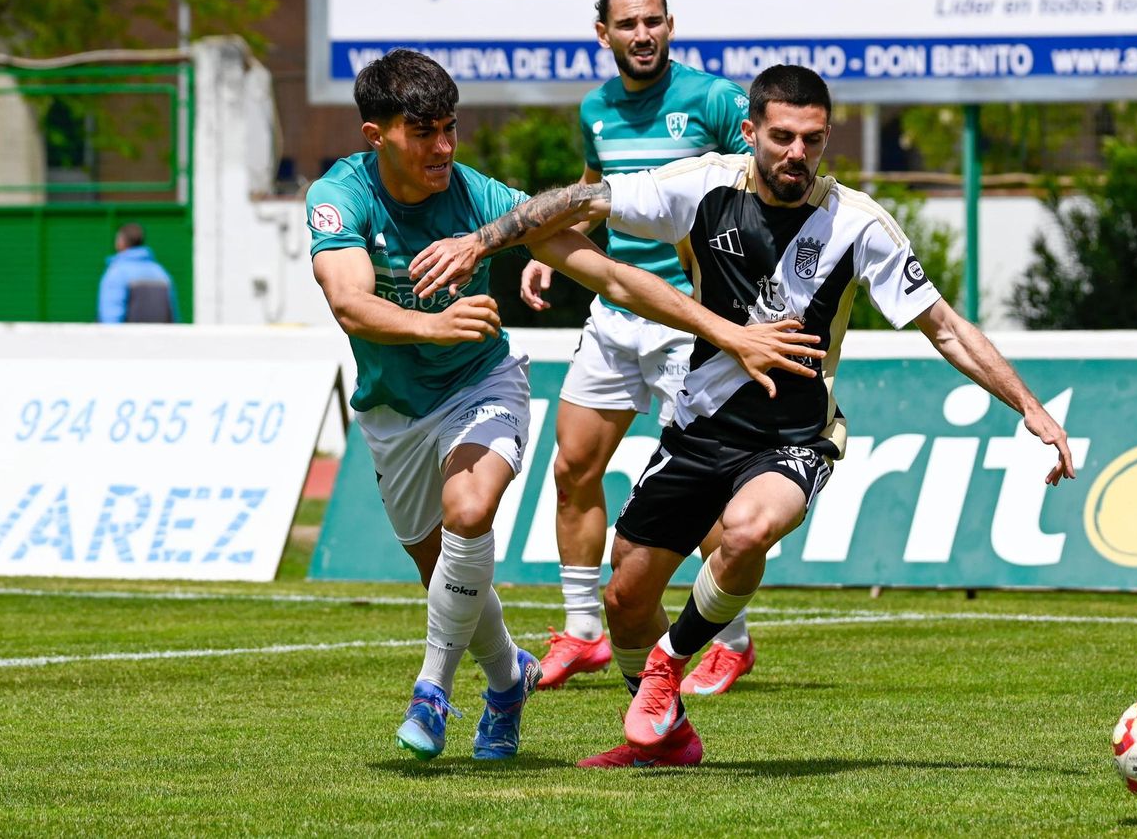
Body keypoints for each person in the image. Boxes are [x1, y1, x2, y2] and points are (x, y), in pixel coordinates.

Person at [409, 65, 1078, 769]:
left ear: (827, 140)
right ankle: (667, 740)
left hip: (796, 436)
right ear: (752, 131)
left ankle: (668, 666)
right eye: (782, 137)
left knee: (749, 528)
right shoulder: (701, 185)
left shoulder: (859, 224)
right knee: (626, 596)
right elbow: (584, 198)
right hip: (699, 425)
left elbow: (943, 326)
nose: (797, 153)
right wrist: (481, 242)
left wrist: (1030, 407)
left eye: (813, 140)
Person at [306, 49, 822, 764]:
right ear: (376, 136)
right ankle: (508, 677)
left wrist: (726, 330)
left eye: (450, 128)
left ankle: (432, 688)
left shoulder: (482, 197)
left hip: (479, 386)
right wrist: (430, 323)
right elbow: (347, 300)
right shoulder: (340, 195)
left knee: (469, 511)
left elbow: (611, 275)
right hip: (392, 409)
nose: (443, 148)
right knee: (449, 577)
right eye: (423, 132)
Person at [523, 0, 762, 695]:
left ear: (670, 25)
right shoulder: (595, 109)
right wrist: (554, 255)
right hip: (615, 316)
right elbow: (598, 188)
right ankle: (583, 630)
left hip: (689, 323)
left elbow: (759, 194)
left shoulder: (713, 100)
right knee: (572, 467)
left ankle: (731, 639)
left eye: (653, 21)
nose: (643, 34)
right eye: (627, 24)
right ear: (604, 34)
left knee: (707, 492)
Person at [97, 223, 177, 323]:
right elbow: (173, 316)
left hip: (128, 338)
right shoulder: (161, 272)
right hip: (158, 338)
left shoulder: (117, 272)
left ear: (121, 242)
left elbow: (110, 318)